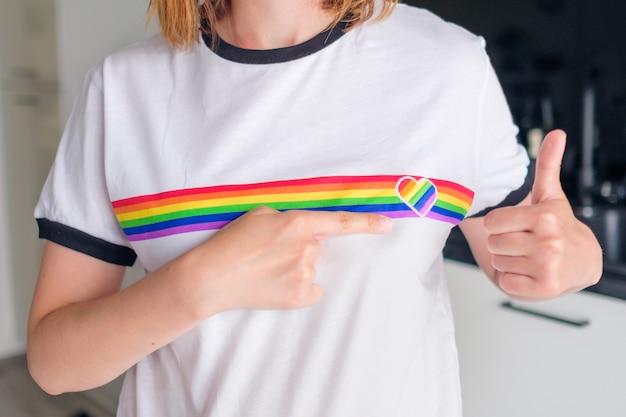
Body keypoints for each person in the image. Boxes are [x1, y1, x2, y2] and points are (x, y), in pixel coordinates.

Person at [27, 0, 602, 416]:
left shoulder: (447, 65)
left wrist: (577, 257)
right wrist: (196, 283)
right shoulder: (123, 89)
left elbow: (523, 242)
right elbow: (54, 364)